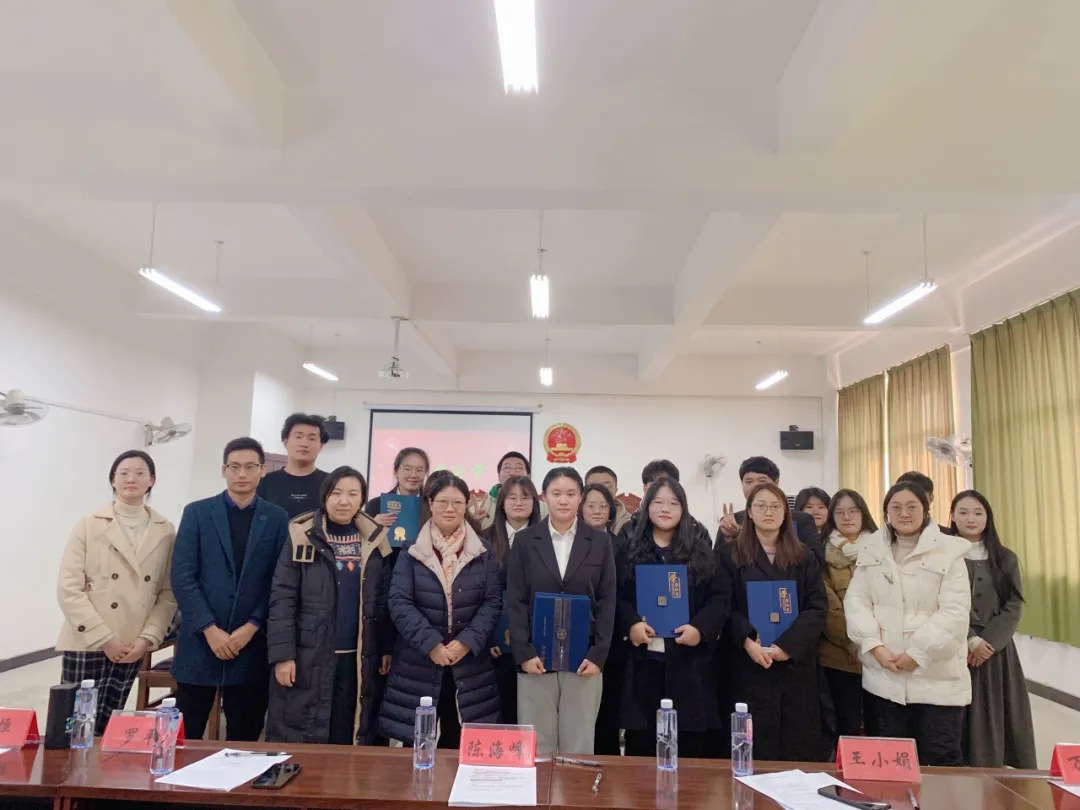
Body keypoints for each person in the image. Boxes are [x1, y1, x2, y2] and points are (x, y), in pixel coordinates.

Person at [170, 438, 290, 741]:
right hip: (201, 641)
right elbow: (183, 576)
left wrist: (253, 625)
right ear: (224, 470)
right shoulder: (197, 513)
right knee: (185, 737)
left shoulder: (277, 518)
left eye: (250, 467)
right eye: (235, 467)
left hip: (250, 644)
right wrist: (209, 629)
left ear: (263, 470)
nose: (242, 474)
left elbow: (278, 580)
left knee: (245, 738)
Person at [845, 481, 971, 766]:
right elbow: (856, 601)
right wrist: (874, 645)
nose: (904, 513)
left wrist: (918, 653)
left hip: (937, 683)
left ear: (925, 509)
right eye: (896, 507)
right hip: (884, 678)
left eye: (912, 506)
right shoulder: (872, 548)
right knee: (888, 762)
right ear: (886, 512)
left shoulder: (949, 551)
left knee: (939, 762)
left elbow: (955, 613)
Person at [265, 466, 393, 745]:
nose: (344, 501)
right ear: (324, 496)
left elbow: (382, 600)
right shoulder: (301, 535)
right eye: (336, 493)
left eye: (352, 494)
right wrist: (283, 655)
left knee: (350, 729)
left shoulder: (374, 540)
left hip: (359, 656)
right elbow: (282, 597)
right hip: (309, 655)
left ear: (362, 499)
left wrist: (385, 648)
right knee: (307, 730)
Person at [55, 450, 178, 735]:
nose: (131, 478)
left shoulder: (165, 530)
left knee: (108, 725)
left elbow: (167, 593)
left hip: (130, 642)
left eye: (139, 473)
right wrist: (104, 638)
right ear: (113, 480)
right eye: (123, 473)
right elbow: (68, 588)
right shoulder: (89, 525)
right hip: (88, 638)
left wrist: (147, 639)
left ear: (152, 480)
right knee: (74, 726)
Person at [378, 475, 502, 748]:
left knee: (462, 745)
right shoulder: (412, 548)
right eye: (443, 501)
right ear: (430, 503)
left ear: (466, 505)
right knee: (418, 748)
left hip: (469, 665)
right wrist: (431, 644)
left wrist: (467, 642)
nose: (450, 508)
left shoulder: (483, 550)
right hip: (419, 661)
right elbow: (399, 601)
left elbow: (492, 602)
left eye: (457, 502)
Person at [507, 467, 617, 755]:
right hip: (536, 659)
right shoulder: (525, 541)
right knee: (536, 747)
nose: (564, 500)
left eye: (570, 493)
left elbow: (607, 600)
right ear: (544, 497)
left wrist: (598, 654)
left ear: (581, 497)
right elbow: (516, 600)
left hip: (584, 661)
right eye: (556, 493)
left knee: (579, 745)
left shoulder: (600, 542)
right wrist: (524, 653)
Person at [617, 477, 728, 758]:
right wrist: (631, 624)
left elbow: (720, 598)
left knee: (689, 747)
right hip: (644, 661)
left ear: (683, 509)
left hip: (688, 661)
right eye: (658, 502)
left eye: (673, 503)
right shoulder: (628, 550)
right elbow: (615, 597)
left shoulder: (700, 551)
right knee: (643, 746)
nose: (665, 509)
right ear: (647, 507)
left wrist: (700, 629)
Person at [717, 482, 827, 762]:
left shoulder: (804, 556)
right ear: (749, 512)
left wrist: (787, 646)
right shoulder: (730, 555)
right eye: (761, 506)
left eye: (776, 506)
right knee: (751, 748)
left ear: (785, 513)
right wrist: (747, 641)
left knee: (796, 747)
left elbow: (816, 608)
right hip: (747, 662)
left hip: (793, 665)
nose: (769, 512)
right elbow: (723, 606)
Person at [951, 490, 1036, 768]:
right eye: (963, 512)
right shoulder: (943, 555)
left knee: (995, 712)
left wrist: (987, 642)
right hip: (954, 646)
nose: (971, 519)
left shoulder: (1005, 557)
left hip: (994, 651)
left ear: (988, 517)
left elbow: (1013, 605)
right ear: (952, 516)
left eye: (978, 513)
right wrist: (969, 639)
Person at [481, 475, 543, 725]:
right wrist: (487, 638)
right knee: (499, 714)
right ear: (501, 503)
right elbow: (477, 593)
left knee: (532, 717)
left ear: (535, 502)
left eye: (525, 497)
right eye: (512, 497)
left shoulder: (547, 539)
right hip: (495, 643)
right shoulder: (484, 540)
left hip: (536, 640)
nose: (518, 502)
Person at [819, 489, 878, 741]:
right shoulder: (821, 553)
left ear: (863, 513)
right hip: (840, 655)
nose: (847, 517)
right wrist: (854, 642)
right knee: (847, 725)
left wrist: (875, 645)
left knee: (881, 726)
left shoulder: (883, 549)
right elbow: (829, 607)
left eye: (853, 511)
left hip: (883, 655)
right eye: (840, 512)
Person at [579, 481, 623, 755]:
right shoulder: (570, 544)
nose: (596, 511)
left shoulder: (621, 545)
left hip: (614, 636)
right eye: (591, 505)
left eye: (603, 506)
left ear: (611, 511)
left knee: (608, 707)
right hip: (581, 636)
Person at [717, 457, 824, 564]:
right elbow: (718, 563)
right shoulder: (732, 521)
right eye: (749, 482)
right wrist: (731, 537)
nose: (755, 486)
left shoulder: (802, 520)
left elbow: (816, 561)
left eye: (762, 481)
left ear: (776, 483)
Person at [257, 413, 330, 519]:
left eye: (312, 438)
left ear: (321, 445)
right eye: (298, 437)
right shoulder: (265, 483)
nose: (304, 444)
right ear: (285, 441)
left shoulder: (331, 483)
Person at [619, 460, 710, 544]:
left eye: (668, 484)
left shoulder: (697, 532)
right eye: (656, 485)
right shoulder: (629, 530)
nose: (662, 488)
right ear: (645, 488)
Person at [469, 451, 532, 530]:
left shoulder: (543, 508)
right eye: (507, 468)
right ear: (498, 476)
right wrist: (473, 524)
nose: (512, 473)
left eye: (519, 468)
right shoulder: (477, 509)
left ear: (528, 476)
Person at [585, 466, 632, 535]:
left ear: (615, 491)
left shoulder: (629, 522)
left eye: (607, 487)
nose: (600, 491)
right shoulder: (573, 520)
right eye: (594, 487)